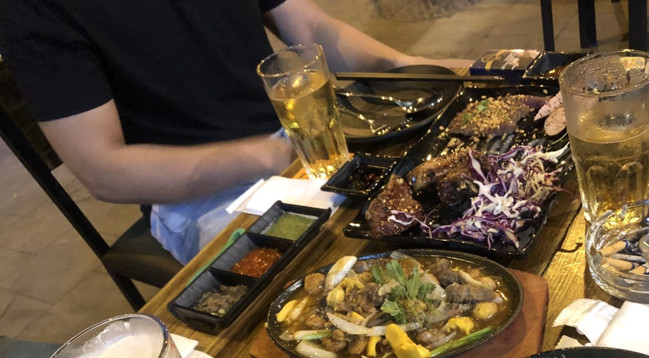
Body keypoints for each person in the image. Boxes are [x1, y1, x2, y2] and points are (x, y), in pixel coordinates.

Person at [0, 0, 467, 263]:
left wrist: (413, 68)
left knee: (454, 192)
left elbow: (308, 24)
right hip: (205, 193)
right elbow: (104, 171)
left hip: (304, 141)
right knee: (350, 277)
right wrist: (275, 153)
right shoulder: (32, 9)